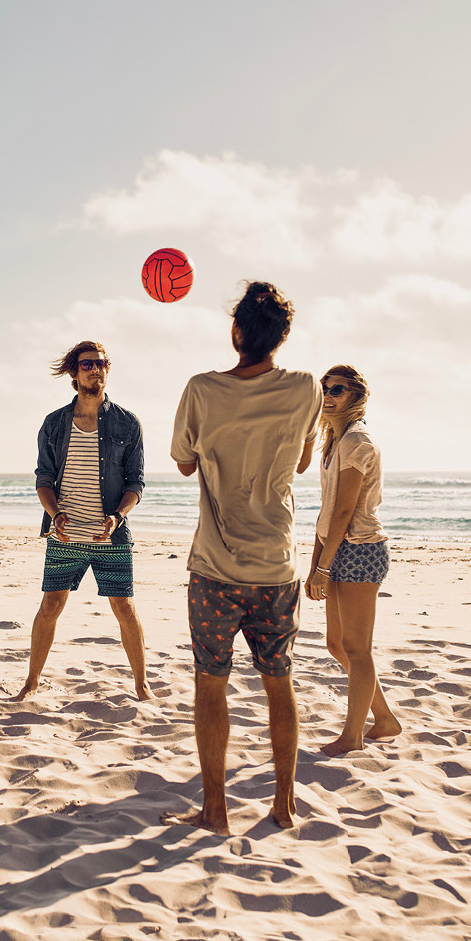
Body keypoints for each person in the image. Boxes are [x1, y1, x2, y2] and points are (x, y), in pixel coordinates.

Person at [165, 282, 321, 834]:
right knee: (280, 681)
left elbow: (184, 463)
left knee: (211, 684)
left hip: (215, 565)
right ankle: (283, 804)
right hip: (277, 566)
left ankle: (216, 809)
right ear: (282, 337)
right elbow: (303, 463)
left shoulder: (201, 390)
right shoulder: (306, 388)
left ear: (236, 332)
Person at [18, 340, 151, 701]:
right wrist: (55, 513)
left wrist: (117, 517)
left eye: (102, 362)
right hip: (65, 535)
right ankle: (31, 683)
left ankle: (142, 685)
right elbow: (44, 478)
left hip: (110, 534)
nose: (97, 369)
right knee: (51, 604)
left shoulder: (127, 423)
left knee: (124, 606)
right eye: (88, 364)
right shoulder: (55, 423)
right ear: (74, 373)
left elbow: (135, 482)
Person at [304, 365, 400, 755]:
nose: (327, 395)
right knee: (336, 644)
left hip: (360, 548)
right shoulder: (335, 441)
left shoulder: (357, 441)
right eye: (324, 388)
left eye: (337, 390)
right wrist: (315, 563)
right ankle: (386, 719)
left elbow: (344, 511)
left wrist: (323, 568)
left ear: (357, 395)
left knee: (358, 649)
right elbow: (326, 510)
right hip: (336, 547)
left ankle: (353, 736)